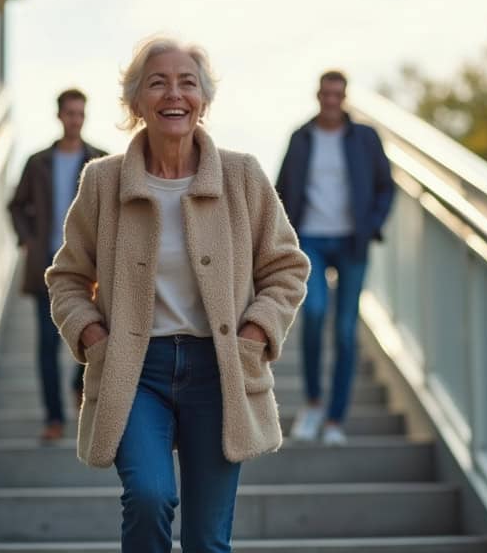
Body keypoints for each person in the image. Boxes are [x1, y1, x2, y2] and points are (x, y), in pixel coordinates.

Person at [45, 37, 309, 552]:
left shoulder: (241, 176)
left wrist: (254, 333)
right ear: (136, 102)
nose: (174, 93)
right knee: (148, 496)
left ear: (203, 100)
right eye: (158, 82)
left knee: (209, 541)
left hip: (219, 371)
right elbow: (68, 278)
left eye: (188, 82)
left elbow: (287, 267)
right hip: (136, 371)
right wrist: (94, 335)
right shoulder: (102, 181)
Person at [275, 70, 395, 446]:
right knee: (312, 314)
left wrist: (372, 225)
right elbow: (280, 189)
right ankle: (312, 404)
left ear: (345, 98)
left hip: (351, 243)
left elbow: (385, 187)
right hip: (309, 237)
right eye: (326, 94)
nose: (331, 101)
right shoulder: (301, 138)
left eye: (337, 95)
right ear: (318, 95)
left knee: (345, 332)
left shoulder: (364, 139)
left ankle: (334, 421)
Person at [8, 88, 108, 441]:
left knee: (91, 335)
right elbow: (15, 205)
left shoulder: (100, 161)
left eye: (80, 113)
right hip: (47, 268)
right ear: (59, 116)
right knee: (47, 345)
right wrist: (28, 240)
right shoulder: (38, 163)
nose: (75, 120)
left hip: (90, 270)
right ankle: (54, 418)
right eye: (70, 113)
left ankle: (78, 385)